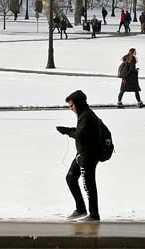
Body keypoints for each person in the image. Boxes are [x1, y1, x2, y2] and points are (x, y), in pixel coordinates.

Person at [55, 90, 101, 222]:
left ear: (79, 104)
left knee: (88, 184)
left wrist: (67, 131)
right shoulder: (83, 114)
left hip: (89, 155)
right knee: (70, 178)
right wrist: (68, 130)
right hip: (81, 154)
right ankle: (81, 209)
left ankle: (94, 215)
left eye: (72, 106)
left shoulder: (86, 116)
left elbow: (80, 135)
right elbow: (81, 132)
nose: (71, 109)